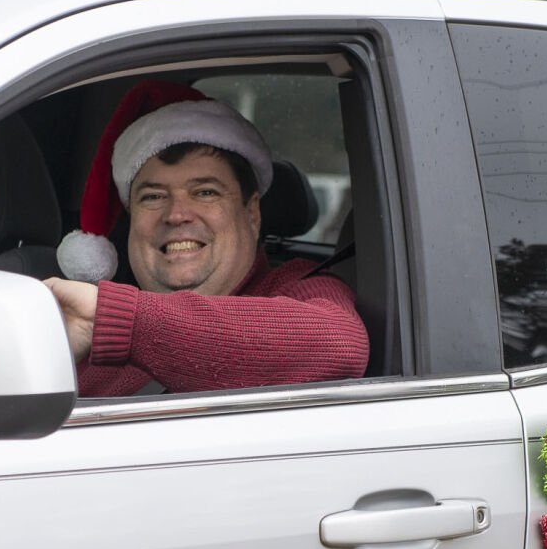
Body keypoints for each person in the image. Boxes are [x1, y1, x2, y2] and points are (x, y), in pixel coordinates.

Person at [44, 87, 368, 397]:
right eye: (153, 196)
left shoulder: (300, 287)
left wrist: (117, 321)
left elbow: (340, 346)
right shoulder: (81, 325)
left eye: (205, 192)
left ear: (252, 213)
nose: (177, 214)